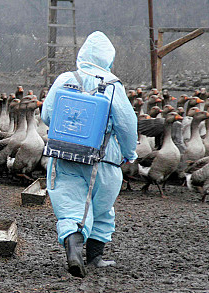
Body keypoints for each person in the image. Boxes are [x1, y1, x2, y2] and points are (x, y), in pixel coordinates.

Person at [41, 31, 138, 278]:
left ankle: (73, 250)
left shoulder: (65, 79)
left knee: (71, 206)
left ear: (82, 54)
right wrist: (128, 153)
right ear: (108, 58)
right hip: (102, 159)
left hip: (64, 155)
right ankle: (95, 258)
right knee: (101, 208)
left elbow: (47, 115)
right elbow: (126, 125)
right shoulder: (113, 86)